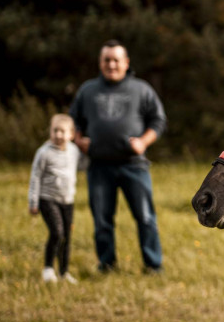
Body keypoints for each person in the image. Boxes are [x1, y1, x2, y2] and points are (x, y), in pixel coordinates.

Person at [70, 40, 167, 274]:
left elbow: (158, 120)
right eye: (106, 60)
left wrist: (143, 141)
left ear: (126, 63)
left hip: (134, 166)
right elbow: (73, 120)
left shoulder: (141, 89)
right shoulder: (88, 90)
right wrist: (78, 140)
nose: (111, 64)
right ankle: (107, 264)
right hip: (99, 166)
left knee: (145, 217)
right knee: (102, 221)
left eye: (116, 60)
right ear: (100, 63)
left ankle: (153, 265)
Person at [29, 114, 81, 283]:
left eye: (62, 131)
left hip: (67, 200)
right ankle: (48, 269)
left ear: (71, 134)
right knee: (57, 233)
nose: (58, 135)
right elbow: (35, 177)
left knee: (67, 236)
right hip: (47, 199)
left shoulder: (74, 151)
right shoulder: (43, 153)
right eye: (55, 130)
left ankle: (64, 272)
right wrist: (33, 202)